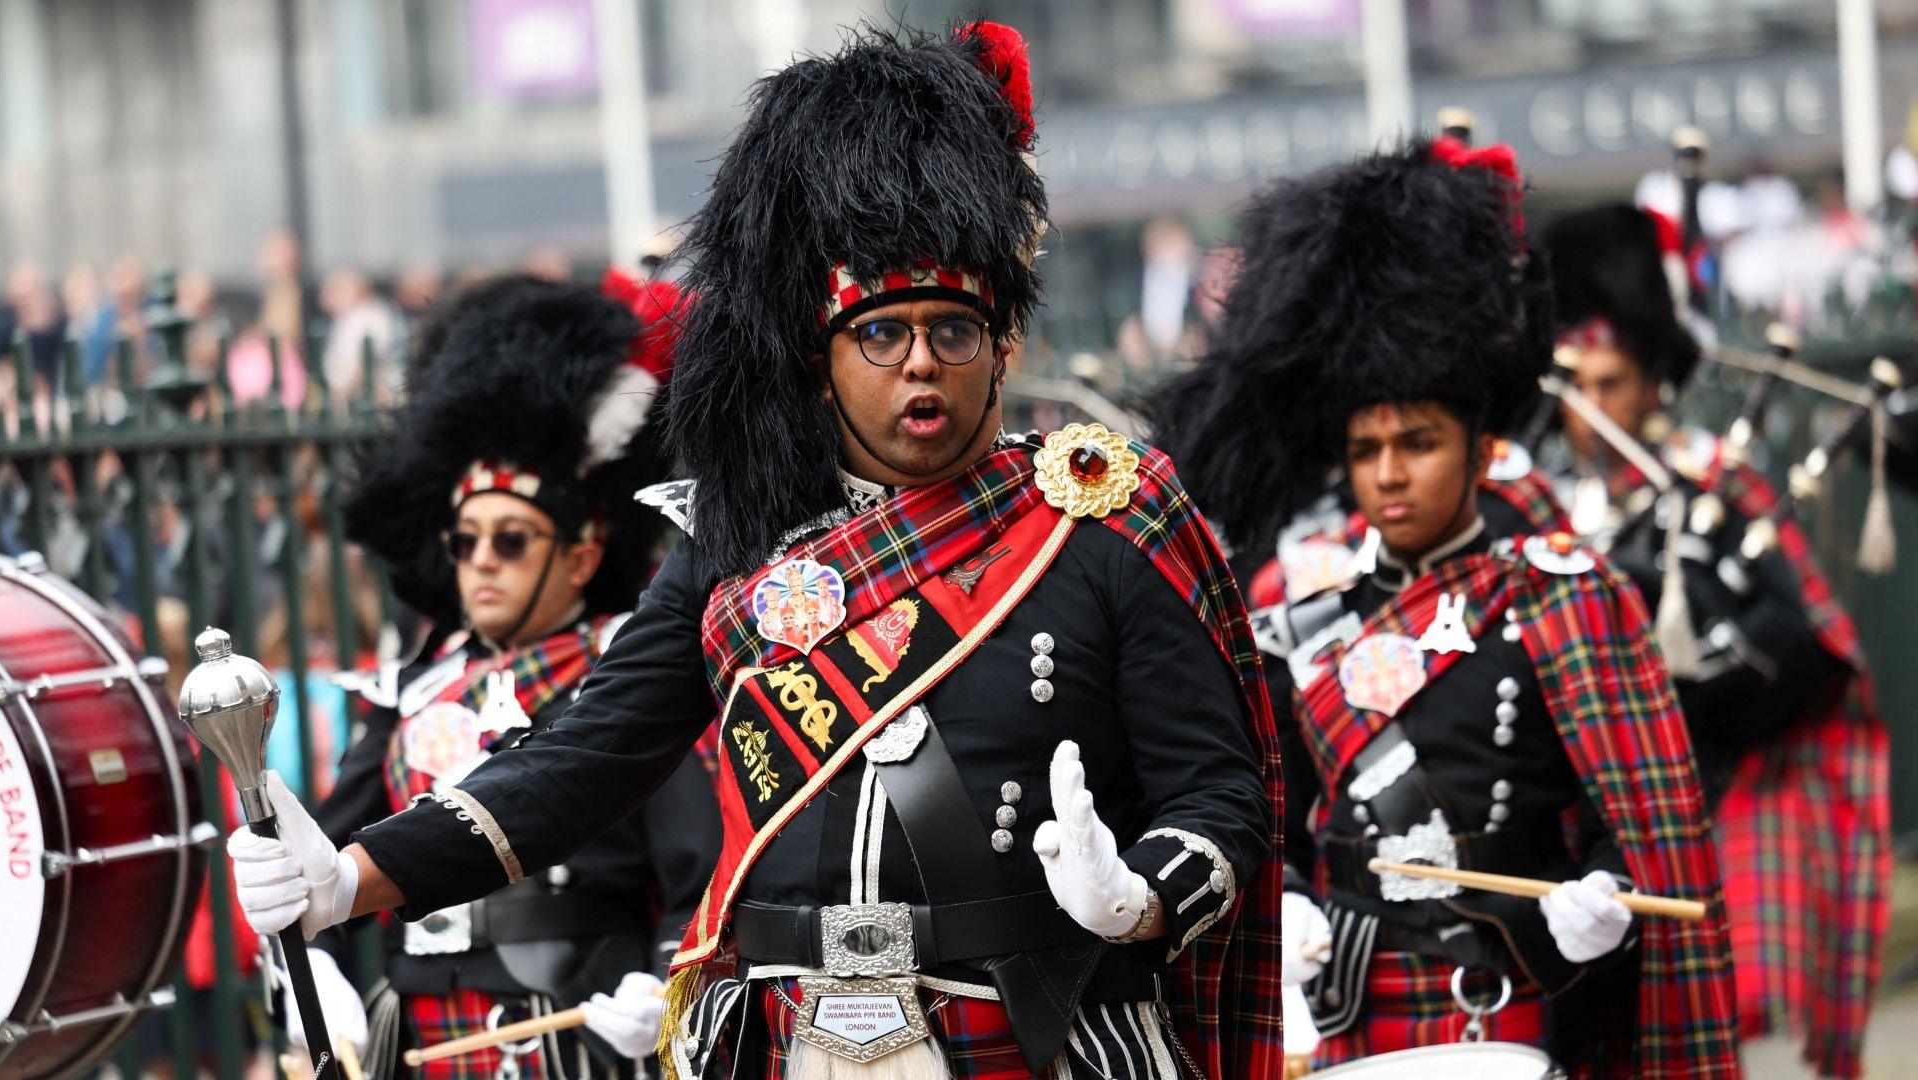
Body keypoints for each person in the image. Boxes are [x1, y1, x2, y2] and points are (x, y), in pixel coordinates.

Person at [228, 23, 1280, 1079]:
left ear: (1001, 346)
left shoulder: (1095, 515)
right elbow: (585, 758)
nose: (922, 363)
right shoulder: (738, 540)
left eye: (952, 331)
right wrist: (353, 875)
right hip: (790, 1039)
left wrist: (1141, 896)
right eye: (883, 333)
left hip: (1036, 1036)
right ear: (821, 359)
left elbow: (1221, 799)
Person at [1151, 138, 1738, 1076]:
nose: (1388, 474)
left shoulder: (1563, 599)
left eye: (1418, 443)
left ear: (1478, 445)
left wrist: (1599, 902)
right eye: (1366, 448)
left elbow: (1631, 825)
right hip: (1344, 1010)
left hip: (1501, 1004)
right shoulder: (1304, 616)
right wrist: (1291, 895)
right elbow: (1275, 816)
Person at [243, 274, 719, 1080]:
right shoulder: (416, 687)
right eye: (465, 541)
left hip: (577, 1031)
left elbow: (698, 870)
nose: (480, 565)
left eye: (510, 541)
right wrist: (305, 963)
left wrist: (675, 984)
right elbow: (321, 859)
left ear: (581, 556)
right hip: (423, 1039)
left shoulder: (626, 667)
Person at [1541, 204, 1890, 1079]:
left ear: (1657, 377)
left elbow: (1807, 645)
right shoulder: (1543, 504)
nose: (1590, 408)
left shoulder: (1712, 478)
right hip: (1581, 824)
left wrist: (1700, 683)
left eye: (1610, 382)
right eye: (1572, 383)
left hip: (1720, 792)